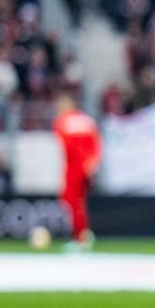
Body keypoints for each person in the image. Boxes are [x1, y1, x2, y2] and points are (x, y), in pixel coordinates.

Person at [53, 94, 101, 247]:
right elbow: (96, 144)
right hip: (86, 166)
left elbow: (65, 147)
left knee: (71, 201)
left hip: (74, 166)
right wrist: (92, 162)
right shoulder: (87, 121)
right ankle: (82, 234)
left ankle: (80, 236)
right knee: (79, 202)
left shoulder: (62, 121)